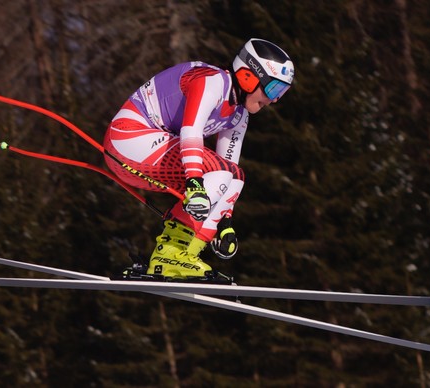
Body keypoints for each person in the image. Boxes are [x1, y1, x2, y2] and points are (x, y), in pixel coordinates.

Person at [103, 38, 295, 279]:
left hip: (151, 155)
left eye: (282, 92)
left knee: (236, 176)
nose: (275, 100)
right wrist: (194, 182)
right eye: (273, 89)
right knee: (218, 169)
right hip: (126, 140)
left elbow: (229, 169)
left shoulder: (239, 115)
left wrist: (224, 223)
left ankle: (187, 254)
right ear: (248, 77)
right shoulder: (212, 82)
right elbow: (191, 131)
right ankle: (169, 253)